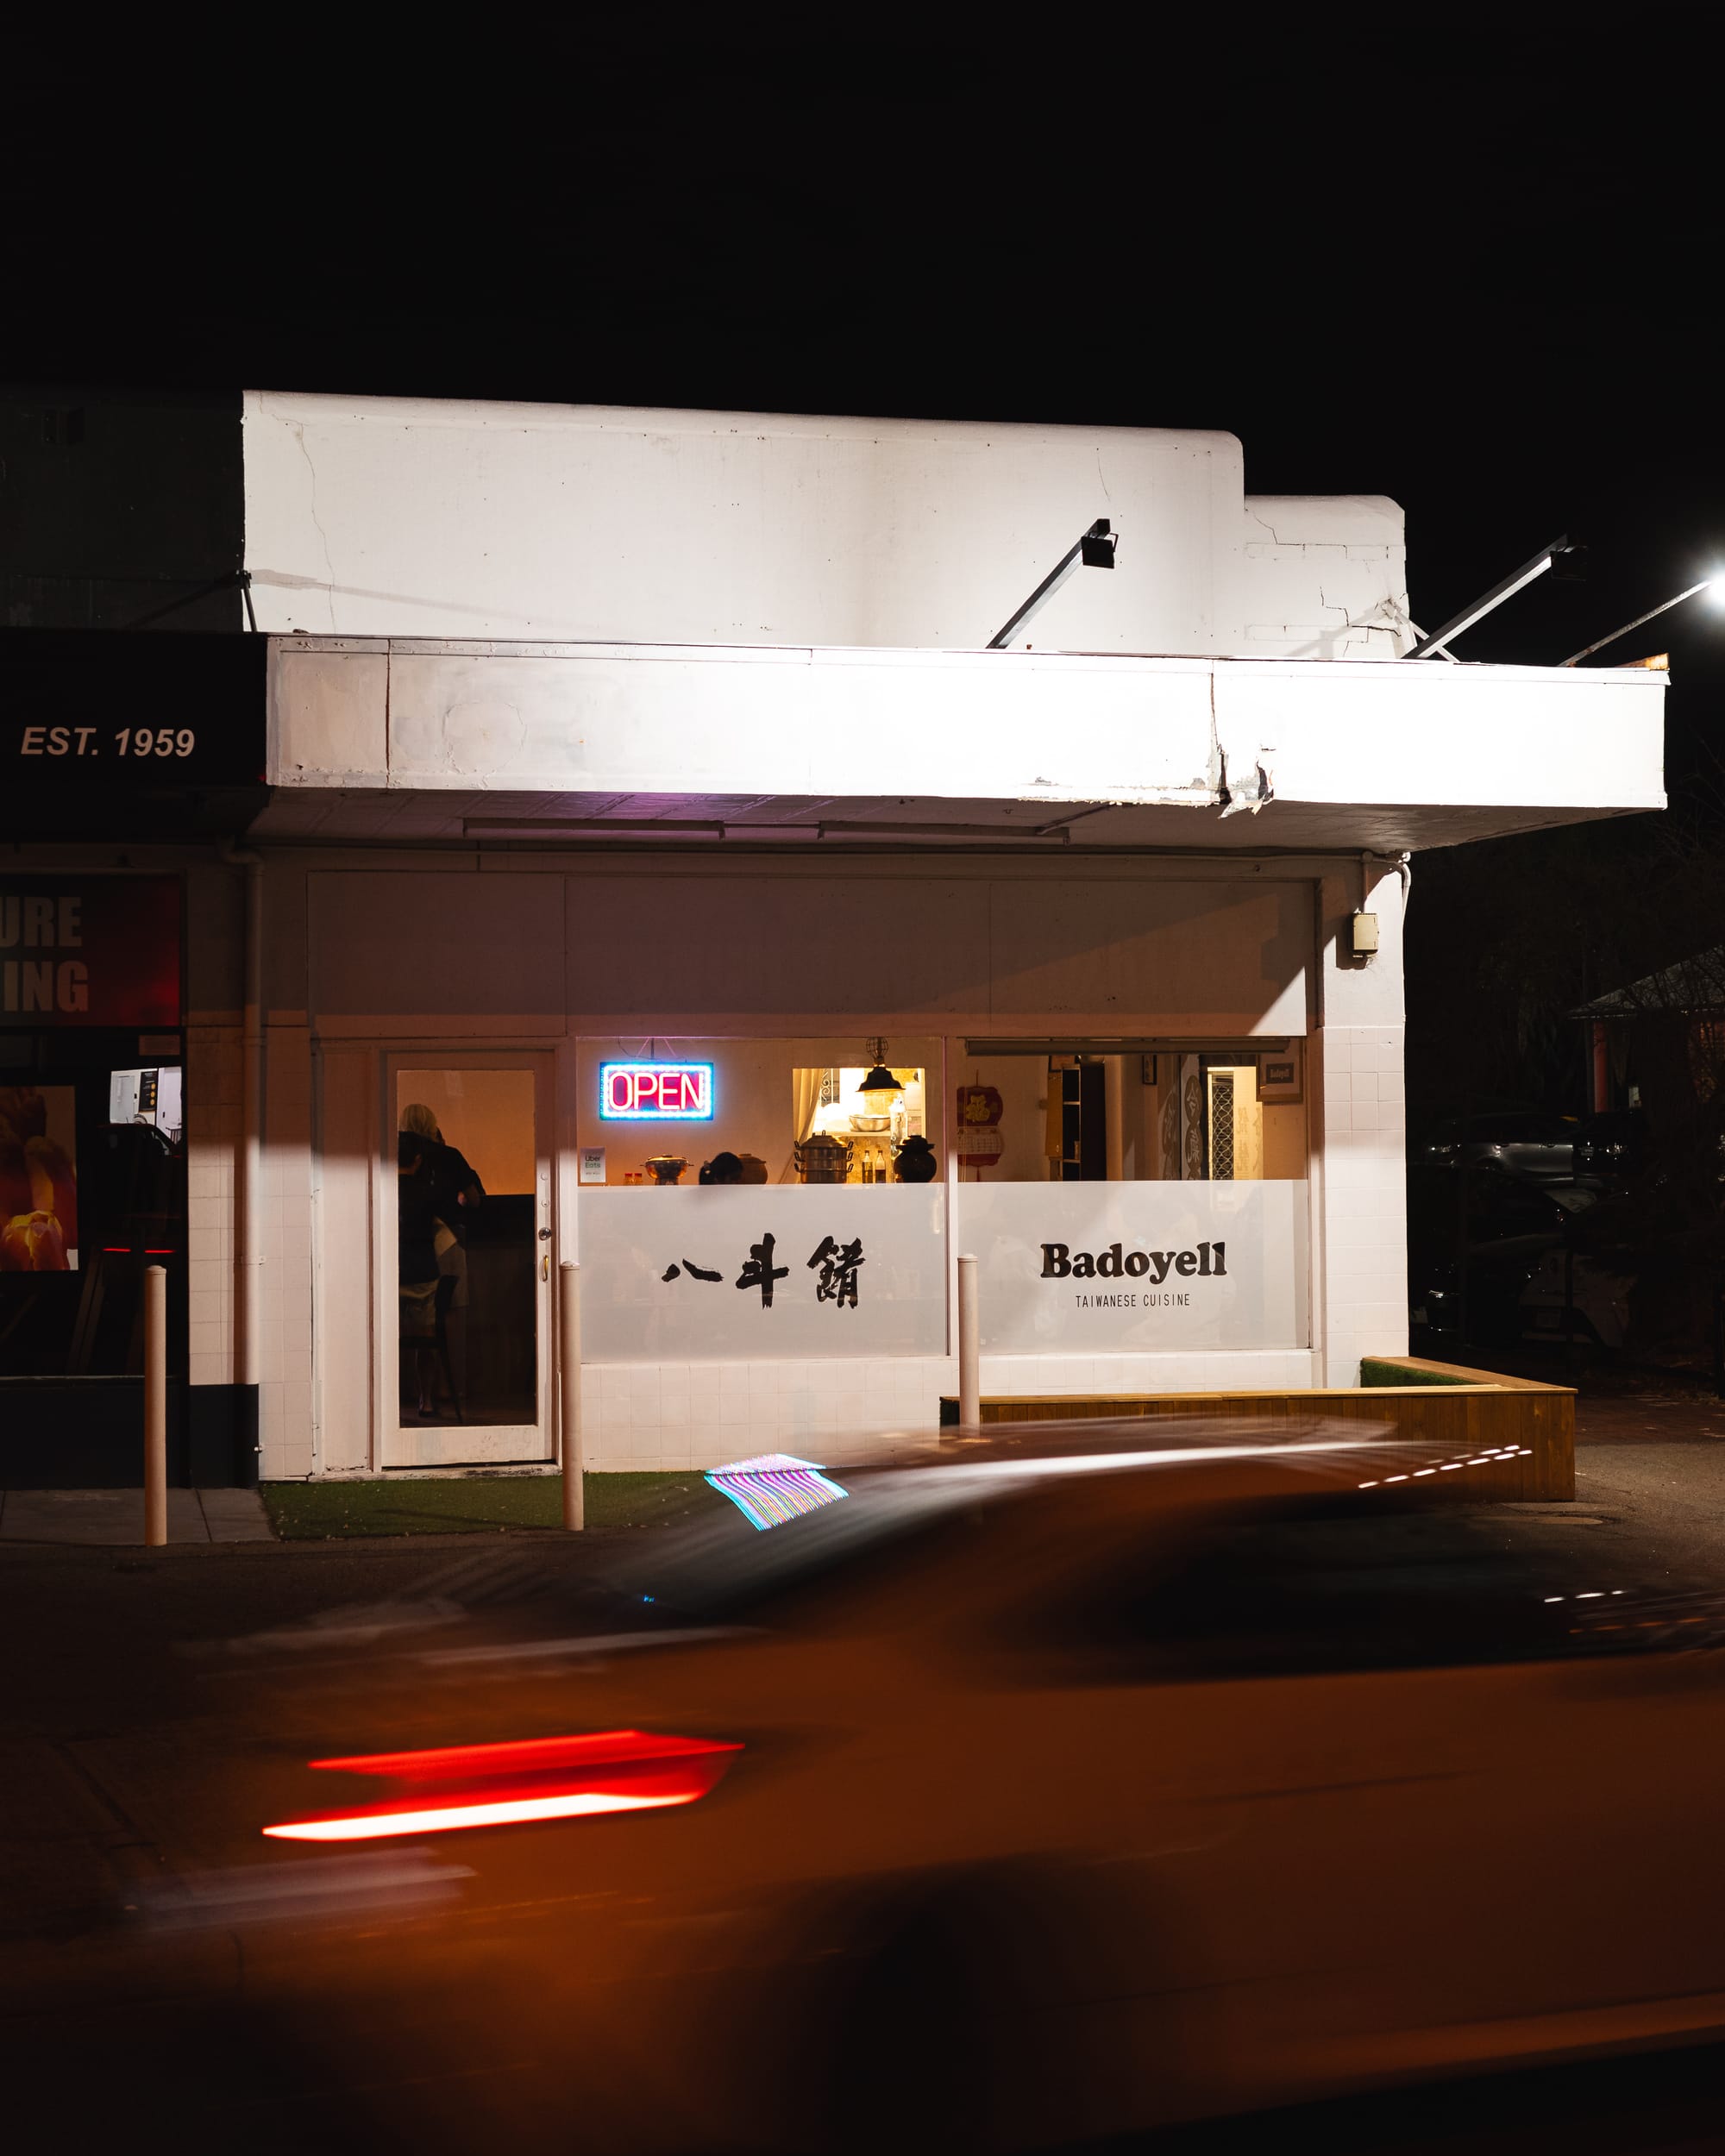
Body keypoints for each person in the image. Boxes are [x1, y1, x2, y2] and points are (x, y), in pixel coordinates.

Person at [398, 1104, 486, 1413]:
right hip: (447, 1243)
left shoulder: (396, 1155)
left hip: (403, 1250)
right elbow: (474, 1198)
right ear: (433, 1125)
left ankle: (405, 1391)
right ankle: (448, 1389)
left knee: (402, 1322)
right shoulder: (448, 1155)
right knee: (446, 1320)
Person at [398, 1131, 442, 1416]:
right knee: (426, 1341)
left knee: (384, 1338)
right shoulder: (427, 1192)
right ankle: (426, 1399)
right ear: (417, 1160)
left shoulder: (384, 1189)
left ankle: (385, 1399)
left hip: (390, 1274)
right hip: (423, 1275)